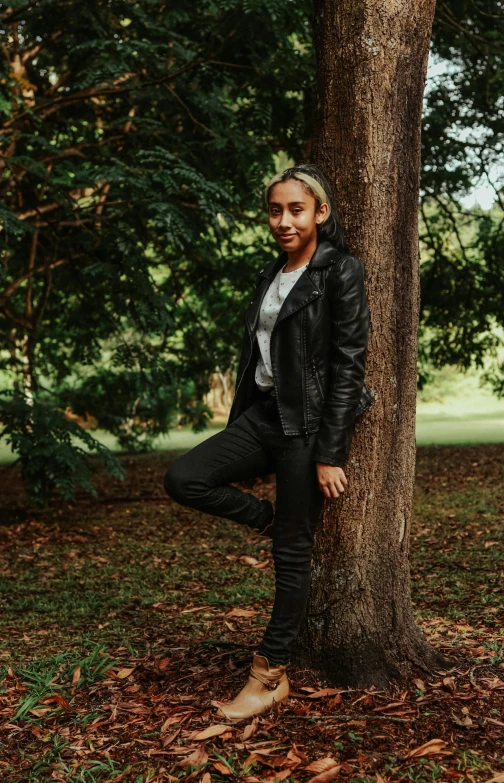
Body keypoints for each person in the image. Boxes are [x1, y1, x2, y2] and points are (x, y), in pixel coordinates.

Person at [163, 163, 375, 722]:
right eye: (275, 210)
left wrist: (332, 452)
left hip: (306, 431)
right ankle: (267, 518)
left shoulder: (340, 272)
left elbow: (349, 365)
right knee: (184, 478)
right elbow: (256, 357)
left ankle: (268, 676)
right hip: (261, 417)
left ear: (320, 213)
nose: (283, 220)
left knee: (292, 557)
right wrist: (243, 432)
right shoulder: (270, 272)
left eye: (295, 209)